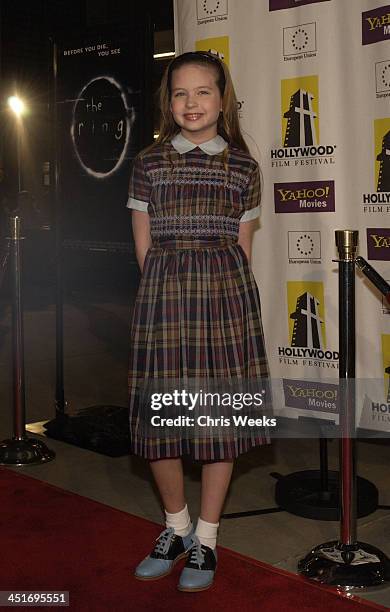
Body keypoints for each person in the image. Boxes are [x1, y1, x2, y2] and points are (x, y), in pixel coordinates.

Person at [127, 51, 270, 592]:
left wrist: (220, 302)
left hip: (224, 301)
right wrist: (169, 295)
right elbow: (144, 249)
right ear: (170, 101)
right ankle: (176, 528)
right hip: (163, 298)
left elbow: (243, 249)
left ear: (222, 98)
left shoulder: (244, 169)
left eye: (202, 92)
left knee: (217, 425)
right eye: (180, 93)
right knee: (161, 423)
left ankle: (206, 541)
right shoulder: (149, 162)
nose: (191, 103)